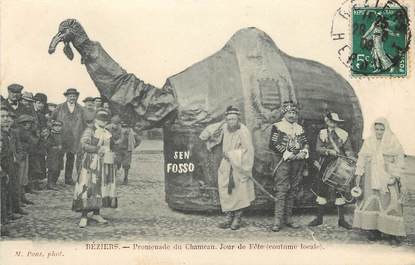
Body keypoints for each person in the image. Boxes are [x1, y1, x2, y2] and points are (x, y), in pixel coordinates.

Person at [200, 106, 255, 230]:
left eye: (233, 119)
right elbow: (206, 134)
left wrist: (232, 155)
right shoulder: (224, 127)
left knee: (239, 192)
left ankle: (237, 218)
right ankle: (228, 217)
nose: (231, 122)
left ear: (238, 119)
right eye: (229, 119)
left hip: (239, 165)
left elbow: (248, 151)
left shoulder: (243, 131)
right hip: (226, 164)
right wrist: (219, 125)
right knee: (225, 190)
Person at [353, 118, 407, 245]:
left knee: (389, 202)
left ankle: (391, 233)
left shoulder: (393, 142)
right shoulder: (369, 142)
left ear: (386, 129)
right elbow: (361, 158)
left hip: (388, 176)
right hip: (370, 176)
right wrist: (359, 174)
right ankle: (374, 230)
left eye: (382, 129)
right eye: (377, 129)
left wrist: (395, 174)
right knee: (372, 201)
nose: (379, 132)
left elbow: (400, 160)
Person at [308, 112, 355, 229]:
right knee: (321, 191)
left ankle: (341, 221)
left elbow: (348, 149)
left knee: (340, 191)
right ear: (327, 121)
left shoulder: (343, 134)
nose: (333, 124)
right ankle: (319, 219)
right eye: (331, 121)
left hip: (339, 164)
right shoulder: (322, 133)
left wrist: (351, 157)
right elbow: (318, 149)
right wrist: (328, 151)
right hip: (325, 164)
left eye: (335, 122)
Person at [72, 108, 117, 228]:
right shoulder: (90, 130)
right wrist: (97, 149)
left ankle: (97, 213)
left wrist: (112, 152)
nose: (104, 122)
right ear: (96, 119)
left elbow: (111, 145)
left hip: (105, 163)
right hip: (91, 163)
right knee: (88, 187)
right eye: (101, 119)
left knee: (101, 187)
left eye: (105, 120)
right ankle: (84, 215)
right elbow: (83, 144)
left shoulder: (107, 131)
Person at [269, 101, 309, 232]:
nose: (292, 115)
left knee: (293, 190)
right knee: (282, 191)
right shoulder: (277, 126)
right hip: (283, 162)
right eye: (289, 113)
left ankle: (288, 219)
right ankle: (277, 221)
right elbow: (273, 144)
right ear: (284, 113)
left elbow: (305, 143)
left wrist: (303, 153)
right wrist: (288, 154)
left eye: (294, 113)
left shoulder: (300, 128)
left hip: (297, 162)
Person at [52, 88, 85, 185]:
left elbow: (84, 122)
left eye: (74, 96)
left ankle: (68, 178)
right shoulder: (59, 107)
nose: (72, 98)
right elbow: (52, 119)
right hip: (61, 138)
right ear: (66, 97)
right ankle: (54, 179)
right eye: (70, 96)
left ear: (77, 97)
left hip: (74, 138)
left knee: (71, 158)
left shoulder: (81, 109)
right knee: (58, 158)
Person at [14, 115, 36, 205]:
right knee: (19, 177)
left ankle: (22, 197)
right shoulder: (19, 132)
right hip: (20, 156)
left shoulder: (25, 131)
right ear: (24, 123)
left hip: (25, 155)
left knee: (24, 177)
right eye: (28, 123)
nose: (30, 125)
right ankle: (18, 199)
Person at [45, 120, 64, 190]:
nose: (58, 128)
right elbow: (47, 145)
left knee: (58, 169)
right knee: (52, 169)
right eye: (56, 126)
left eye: (59, 126)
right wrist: (56, 148)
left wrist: (62, 148)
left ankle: (54, 182)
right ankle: (50, 184)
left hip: (59, 156)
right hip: (52, 156)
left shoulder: (60, 135)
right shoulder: (51, 135)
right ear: (53, 127)